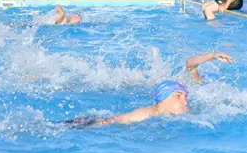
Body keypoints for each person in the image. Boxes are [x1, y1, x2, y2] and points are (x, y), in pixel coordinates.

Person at [67, 51, 233, 126]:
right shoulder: (148, 113)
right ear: (164, 98)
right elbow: (115, 120)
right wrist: (212, 55)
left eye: (185, 97)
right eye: (178, 96)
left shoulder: (200, 94)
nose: (185, 102)